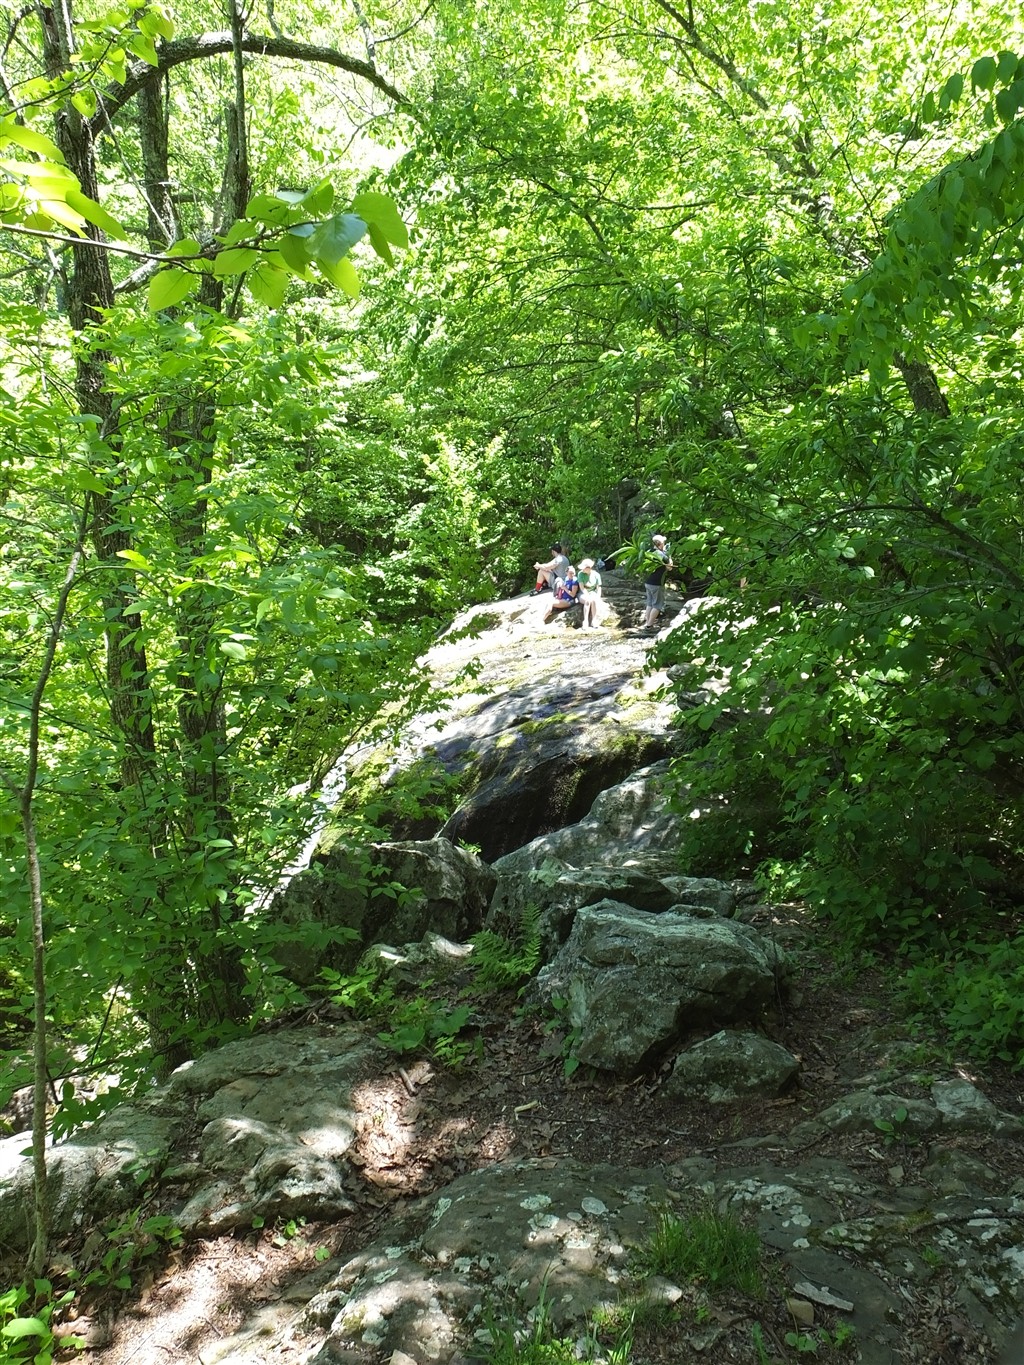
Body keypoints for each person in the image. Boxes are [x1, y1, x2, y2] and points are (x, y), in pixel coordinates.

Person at [643, 534, 672, 631]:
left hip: (648, 581)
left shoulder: (649, 552)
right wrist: (669, 556)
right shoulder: (662, 556)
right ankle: (649, 626)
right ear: (661, 543)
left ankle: (647, 623)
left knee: (650, 603)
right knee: (657, 605)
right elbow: (669, 568)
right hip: (657, 583)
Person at [578, 558, 602, 629]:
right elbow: (582, 587)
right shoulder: (580, 574)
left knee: (594, 600)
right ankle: (585, 621)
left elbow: (598, 587)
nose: (583, 569)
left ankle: (594, 620)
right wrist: (587, 595)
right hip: (583, 593)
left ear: (589, 568)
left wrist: (598, 596)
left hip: (593, 592)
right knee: (588, 600)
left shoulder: (596, 575)